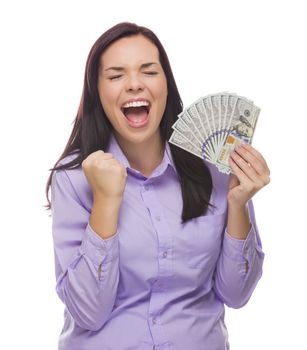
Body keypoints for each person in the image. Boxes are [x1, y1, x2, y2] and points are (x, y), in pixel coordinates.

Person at [45, 22, 270, 350]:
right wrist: (106, 202)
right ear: (98, 91)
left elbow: (236, 295)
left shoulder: (216, 171)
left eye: (149, 71)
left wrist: (238, 205)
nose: (135, 84)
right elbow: (88, 312)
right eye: (116, 75)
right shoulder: (74, 179)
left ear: (167, 84)